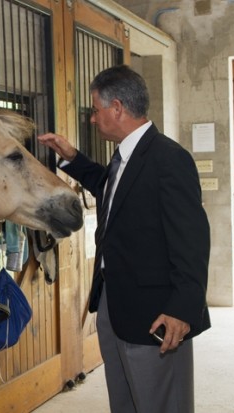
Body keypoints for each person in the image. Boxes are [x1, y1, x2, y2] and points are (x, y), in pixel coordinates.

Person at [38, 65, 210, 413]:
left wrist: (181, 309)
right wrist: (72, 158)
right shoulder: (123, 158)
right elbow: (111, 191)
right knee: (126, 403)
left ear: (117, 107)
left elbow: (192, 240)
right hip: (115, 307)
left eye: (95, 110)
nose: (92, 119)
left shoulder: (169, 159)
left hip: (156, 316)